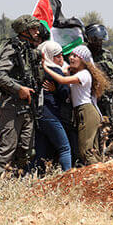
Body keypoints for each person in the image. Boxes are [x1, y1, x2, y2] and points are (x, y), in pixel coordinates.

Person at [0, 15, 42, 190]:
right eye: (33, 29)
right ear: (24, 31)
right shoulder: (12, 49)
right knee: (6, 147)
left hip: (27, 107)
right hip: (12, 105)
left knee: (26, 149)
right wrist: (19, 89)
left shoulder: (29, 50)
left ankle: (14, 182)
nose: (37, 32)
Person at [43, 45, 109, 167]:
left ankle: (98, 175)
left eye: (75, 56)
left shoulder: (83, 74)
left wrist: (45, 67)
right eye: (71, 55)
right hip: (82, 111)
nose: (71, 58)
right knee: (91, 149)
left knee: (85, 150)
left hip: (86, 111)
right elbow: (63, 75)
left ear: (83, 60)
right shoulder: (77, 73)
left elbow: (62, 80)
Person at [32, 41, 72, 172]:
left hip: (39, 113)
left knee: (41, 152)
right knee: (65, 148)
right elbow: (65, 93)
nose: (62, 59)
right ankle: (68, 177)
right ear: (49, 56)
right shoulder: (54, 71)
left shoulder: (38, 70)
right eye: (58, 56)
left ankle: (36, 178)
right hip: (50, 114)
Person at [85, 24, 113, 151]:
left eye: (101, 41)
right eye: (96, 41)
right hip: (93, 101)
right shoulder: (84, 54)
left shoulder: (107, 55)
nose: (99, 43)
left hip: (109, 101)